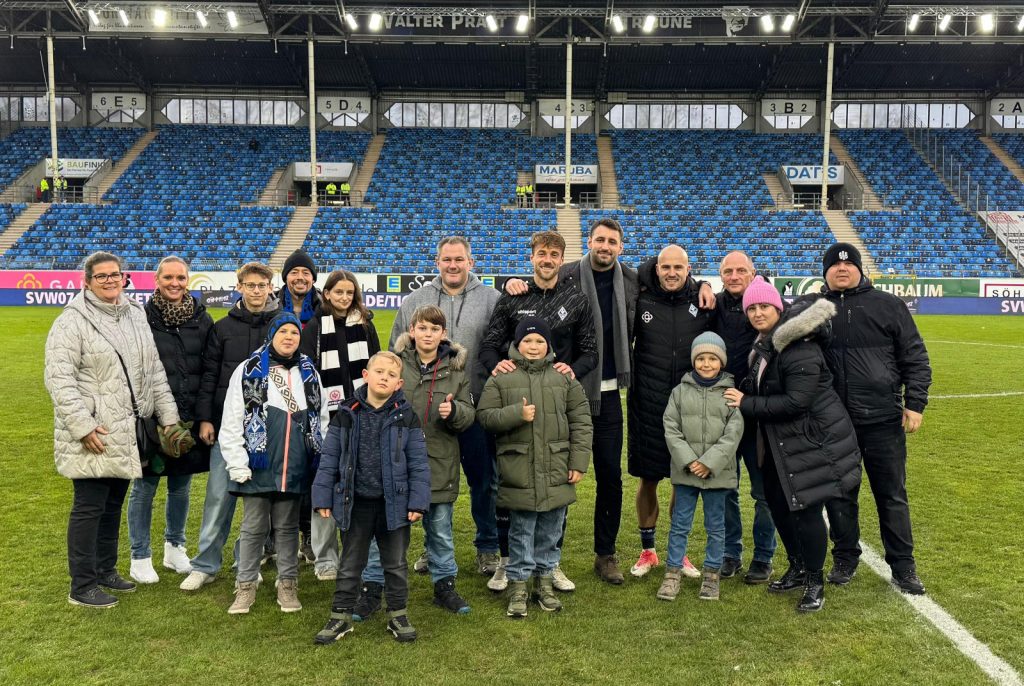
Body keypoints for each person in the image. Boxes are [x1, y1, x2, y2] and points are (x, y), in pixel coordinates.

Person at [44, 251, 179, 608]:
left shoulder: (134, 313)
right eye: (101, 276)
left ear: (124, 278)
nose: (109, 281)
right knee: (89, 506)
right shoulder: (72, 321)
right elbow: (59, 380)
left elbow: (153, 370)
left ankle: (105, 570)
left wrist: (168, 417)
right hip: (96, 430)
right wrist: (83, 426)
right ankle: (82, 585)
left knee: (113, 503)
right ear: (87, 282)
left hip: (128, 428)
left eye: (114, 274)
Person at [724, 277, 861, 613]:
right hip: (780, 442)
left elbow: (797, 402)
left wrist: (745, 403)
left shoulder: (798, 345)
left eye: (764, 306)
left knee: (806, 510)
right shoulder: (765, 343)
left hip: (811, 441)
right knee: (780, 505)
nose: (757, 313)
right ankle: (798, 567)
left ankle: (815, 581)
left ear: (778, 307)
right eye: (751, 308)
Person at [479, 230, 598, 592]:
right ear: (531, 257)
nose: (547, 260)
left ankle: (551, 563)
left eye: (554, 254)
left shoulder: (576, 299)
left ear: (562, 259)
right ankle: (507, 561)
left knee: (556, 487)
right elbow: (489, 345)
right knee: (510, 483)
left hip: (555, 404)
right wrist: (496, 365)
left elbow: (590, 351)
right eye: (541, 254)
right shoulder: (513, 296)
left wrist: (571, 370)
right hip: (517, 403)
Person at [813, 243, 932, 595]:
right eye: (835, 265)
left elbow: (915, 357)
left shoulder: (889, 305)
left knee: (891, 495)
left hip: (882, 419)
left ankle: (903, 566)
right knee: (839, 495)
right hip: (834, 422)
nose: (842, 268)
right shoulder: (814, 310)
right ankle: (845, 557)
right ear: (825, 272)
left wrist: (915, 403)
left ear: (860, 269)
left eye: (849, 264)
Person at [390, 237, 502, 579]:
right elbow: (396, 352)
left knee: (484, 481)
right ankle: (432, 548)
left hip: (475, 408)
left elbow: (501, 347)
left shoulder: (492, 299)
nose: (453, 265)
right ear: (437, 262)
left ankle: (488, 547)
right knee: (429, 480)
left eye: (459, 259)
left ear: (471, 262)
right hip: (427, 415)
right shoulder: (416, 300)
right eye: (447, 259)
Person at [357, 306, 476, 619]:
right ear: (411, 330)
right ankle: (372, 588)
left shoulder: (456, 370)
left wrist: (456, 412)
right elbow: (372, 401)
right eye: (422, 328)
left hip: (438, 461)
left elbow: (469, 414)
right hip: (393, 462)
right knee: (383, 529)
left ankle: (444, 586)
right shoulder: (396, 365)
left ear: (443, 334)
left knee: (439, 529)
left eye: (434, 329)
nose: (428, 334)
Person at [312, 352, 431, 645]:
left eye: (391, 375)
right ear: (366, 375)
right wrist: (322, 496)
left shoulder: (407, 416)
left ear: (399, 383)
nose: (384, 378)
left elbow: (418, 463)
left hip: (395, 504)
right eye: (379, 371)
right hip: (356, 503)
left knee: (395, 563)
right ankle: (340, 615)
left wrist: (418, 501)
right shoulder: (346, 413)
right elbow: (329, 458)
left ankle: (398, 614)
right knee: (350, 563)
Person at [477, 318, 593, 618]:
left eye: (539, 341)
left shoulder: (564, 378)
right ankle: (518, 586)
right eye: (527, 341)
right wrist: (516, 413)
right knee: (520, 531)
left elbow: (581, 422)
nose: (533, 346)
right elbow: (485, 417)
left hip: (557, 467)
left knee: (551, 531)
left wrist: (578, 462)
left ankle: (544, 583)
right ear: (516, 344)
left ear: (548, 345)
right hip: (519, 469)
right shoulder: (501, 377)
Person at [181, 261, 281, 591]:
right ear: (239, 287)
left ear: (270, 287)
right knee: (218, 498)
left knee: (259, 503)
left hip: (267, 429)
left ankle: (247, 562)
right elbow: (210, 375)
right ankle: (205, 564)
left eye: (261, 285)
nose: (256, 291)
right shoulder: (222, 327)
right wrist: (205, 418)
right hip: (228, 428)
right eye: (250, 285)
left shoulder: (282, 325)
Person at [220, 313, 328, 614]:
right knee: (254, 526)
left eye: (294, 332)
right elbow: (232, 417)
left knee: (287, 526)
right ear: (272, 335)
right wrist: (237, 461)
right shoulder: (248, 369)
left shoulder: (309, 372)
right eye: (283, 331)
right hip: (259, 463)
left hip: (295, 464)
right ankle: (245, 585)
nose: (289, 337)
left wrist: (317, 457)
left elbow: (321, 418)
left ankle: (288, 583)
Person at [628, 245, 713, 580]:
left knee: (684, 478)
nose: (672, 272)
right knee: (648, 478)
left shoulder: (702, 301)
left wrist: (705, 285)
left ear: (689, 269)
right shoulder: (641, 299)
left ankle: (679, 552)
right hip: (647, 403)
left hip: (688, 407)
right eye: (666, 267)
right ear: (657, 268)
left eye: (679, 267)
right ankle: (648, 550)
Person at [128, 256, 214, 584]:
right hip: (151, 418)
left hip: (187, 416)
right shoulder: (140, 317)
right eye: (168, 278)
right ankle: (139, 555)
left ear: (188, 280)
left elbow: (208, 368)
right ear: (157, 280)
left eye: (181, 278)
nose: (175, 283)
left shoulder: (201, 317)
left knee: (181, 486)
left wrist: (201, 415)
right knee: (144, 486)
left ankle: (174, 547)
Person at [300, 269, 380, 581]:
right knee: (324, 485)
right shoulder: (316, 325)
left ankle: (355, 553)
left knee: (358, 487)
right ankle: (325, 558)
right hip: (327, 420)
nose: (344, 297)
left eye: (349, 292)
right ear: (327, 293)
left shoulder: (365, 323)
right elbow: (307, 370)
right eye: (338, 292)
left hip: (362, 415)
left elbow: (376, 364)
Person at [658, 332, 743, 602]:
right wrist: (690, 461)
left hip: (717, 474)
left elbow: (733, 434)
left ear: (722, 362)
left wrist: (709, 463)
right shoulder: (679, 392)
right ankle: (672, 574)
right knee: (680, 525)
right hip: (686, 473)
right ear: (694, 360)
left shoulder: (730, 394)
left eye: (712, 359)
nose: (706, 364)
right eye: (701, 358)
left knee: (716, 527)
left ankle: (711, 576)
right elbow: (671, 428)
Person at [715, 251, 777, 584]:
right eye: (728, 271)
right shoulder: (712, 305)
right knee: (726, 489)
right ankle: (730, 553)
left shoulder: (767, 307)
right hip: (723, 414)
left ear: (753, 274)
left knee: (763, 493)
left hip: (758, 416)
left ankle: (763, 557)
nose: (735, 276)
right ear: (720, 275)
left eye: (741, 270)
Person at [278, 249, 322, 326]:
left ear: (313, 279)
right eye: (294, 272)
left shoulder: (325, 306)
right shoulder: (272, 305)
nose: (300, 277)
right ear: (285, 278)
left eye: (306, 273)